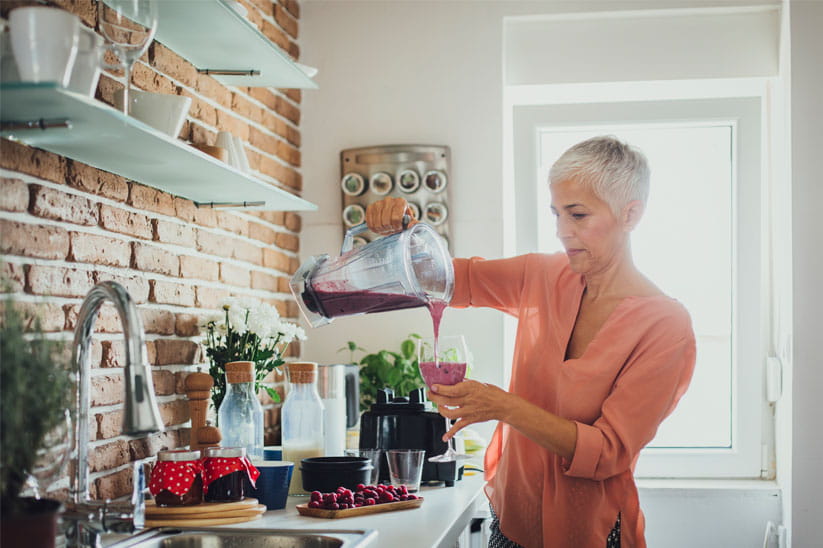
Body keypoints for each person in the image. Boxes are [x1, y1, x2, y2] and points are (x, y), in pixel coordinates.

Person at [365, 136, 696, 548]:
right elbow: (447, 279)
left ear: (631, 215)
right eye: (556, 214)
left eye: (577, 215)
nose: (562, 232)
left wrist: (504, 406)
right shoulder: (546, 276)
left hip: (590, 532)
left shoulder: (665, 326)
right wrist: (403, 236)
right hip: (512, 519)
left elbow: (608, 451)